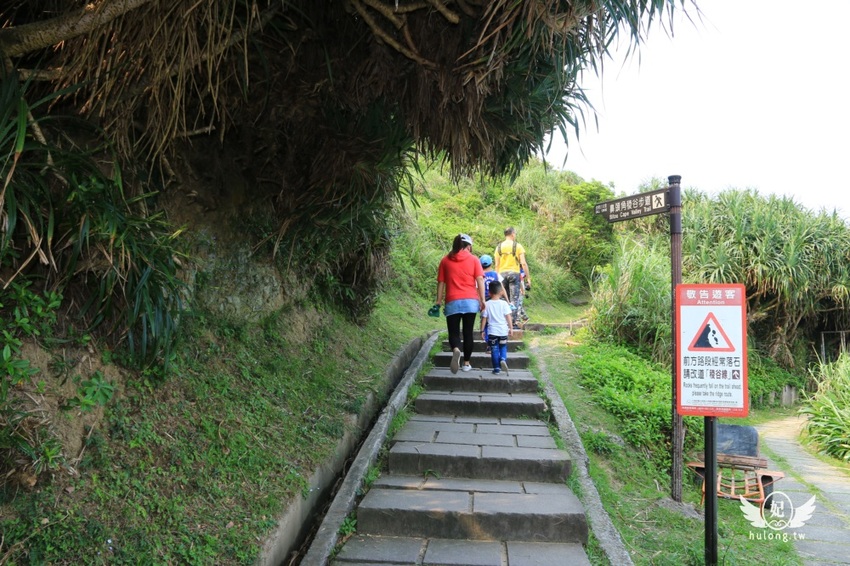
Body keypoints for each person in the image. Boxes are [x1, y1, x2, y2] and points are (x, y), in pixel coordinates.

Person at [436, 233, 485, 373]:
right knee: (468, 333)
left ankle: (456, 349)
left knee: (454, 333)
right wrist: (482, 299)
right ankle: (466, 364)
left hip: (452, 301)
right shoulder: (474, 259)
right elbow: (480, 280)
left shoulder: (445, 260)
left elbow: (441, 283)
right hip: (470, 301)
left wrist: (438, 301)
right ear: (468, 246)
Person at [493, 227, 531, 325]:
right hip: (514, 273)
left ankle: (503, 322)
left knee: (504, 299)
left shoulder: (499, 247)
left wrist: (497, 278)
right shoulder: (518, 246)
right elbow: (523, 263)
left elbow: (496, 265)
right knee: (514, 299)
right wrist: (528, 278)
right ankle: (512, 324)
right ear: (513, 234)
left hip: (501, 274)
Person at [480, 280, 513, 375]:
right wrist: (511, 328)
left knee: (494, 349)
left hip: (492, 332)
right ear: (501, 292)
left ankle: (496, 369)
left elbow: (484, 319)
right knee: (503, 346)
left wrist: (482, 330)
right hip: (503, 331)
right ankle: (503, 359)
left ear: (489, 292)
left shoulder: (487, 304)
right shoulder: (504, 304)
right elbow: (508, 317)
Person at [479, 254, 501, 349]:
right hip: (494, 299)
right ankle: (496, 342)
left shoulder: (479, 275)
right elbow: (501, 287)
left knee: (485, 320)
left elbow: (477, 288)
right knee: (494, 320)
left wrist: (480, 300)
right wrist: (506, 299)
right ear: (491, 263)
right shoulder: (495, 274)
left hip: (484, 300)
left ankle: (488, 343)